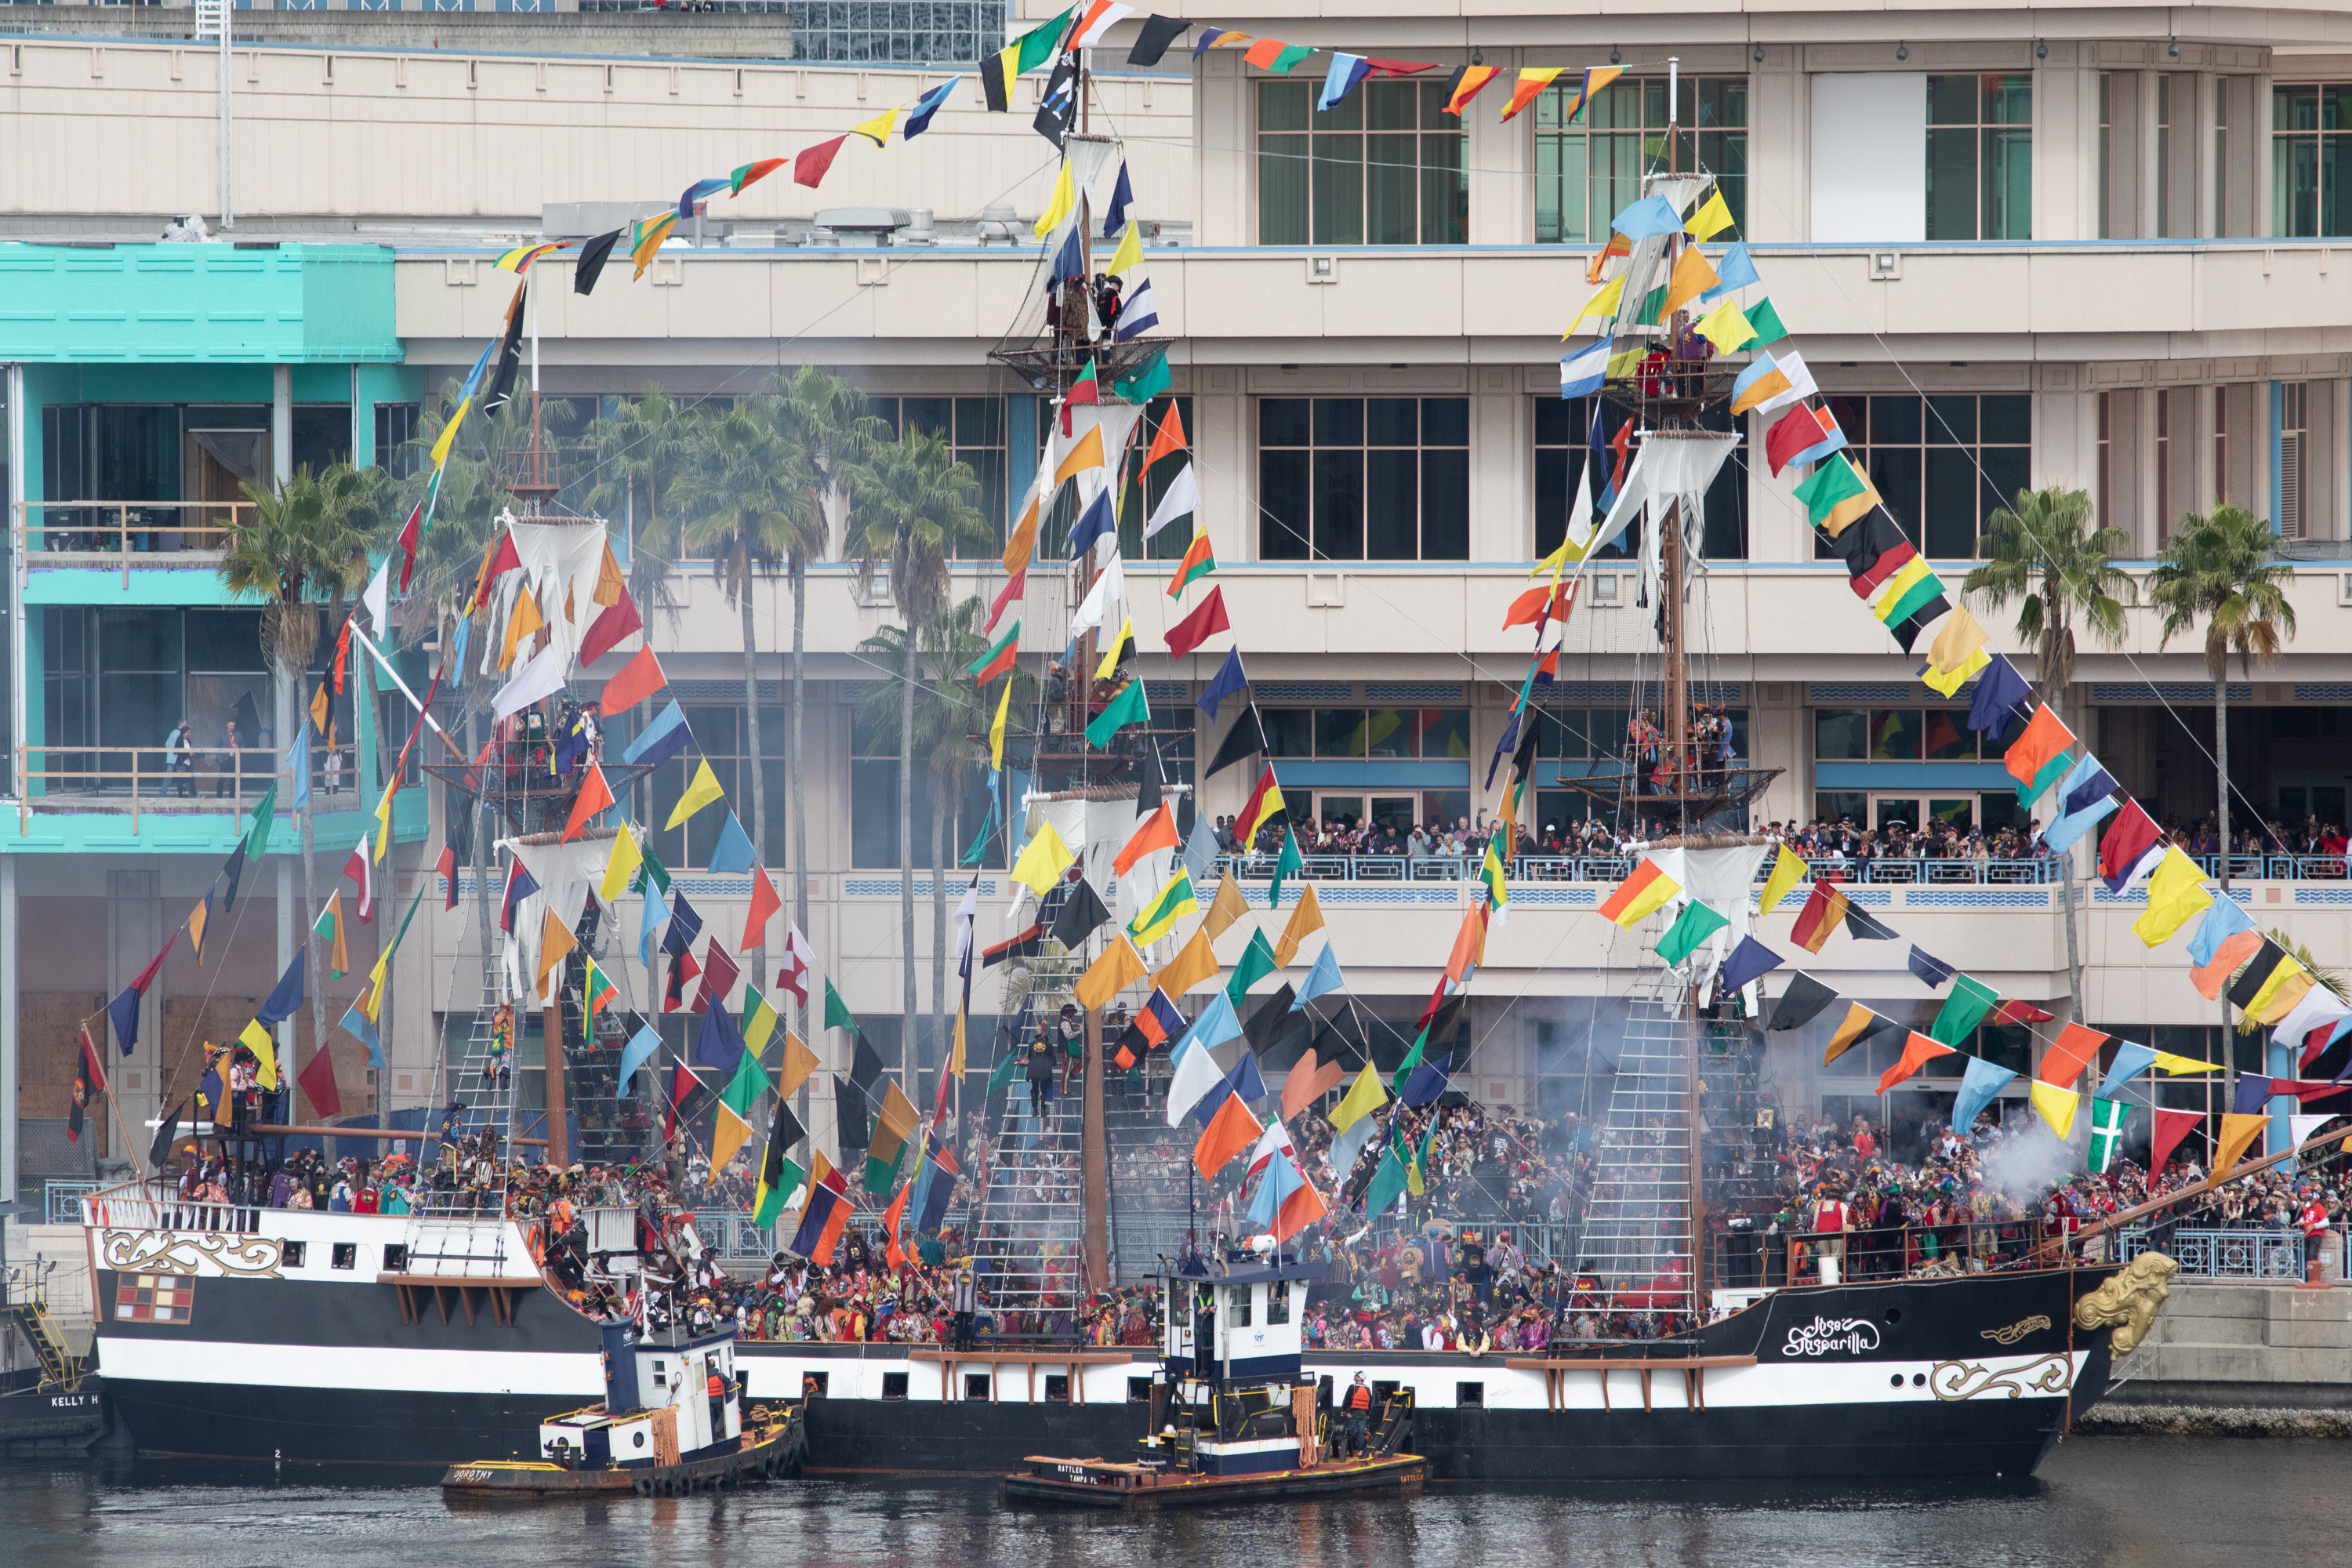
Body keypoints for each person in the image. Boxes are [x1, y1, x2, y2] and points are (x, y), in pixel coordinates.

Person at [1341, 1370, 1374, 1458]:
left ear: (1360, 1378)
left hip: (1353, 1412)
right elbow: (1369, 1402)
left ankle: (1348, 1450)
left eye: (1357, 1375)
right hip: (1363, 1414)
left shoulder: (1352, 1387)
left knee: (1350, 1431)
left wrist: (1344, 1410)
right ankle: (1360, 1451)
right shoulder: (1368, 1389)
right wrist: (1368, 1413)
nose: (1355, 1376)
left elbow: (1347, 1399)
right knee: (1361, 1432)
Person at [165, 718, 196, 798]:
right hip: (179, 760)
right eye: (186, 725)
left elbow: (167, 744)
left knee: (186, 778)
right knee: (183, 778)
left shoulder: (173, 733)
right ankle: (190, 795)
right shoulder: (179, 735)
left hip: (173, 759)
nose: (188, 726)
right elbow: (178, 748)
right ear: (182, 726)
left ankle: (192, 795)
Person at [215, 717, 241, 797]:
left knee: (234, 779)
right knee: (222, 779)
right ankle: (219, 797)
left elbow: (243, 747)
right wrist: (219, 758)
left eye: (233, 726)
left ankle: (232, 797)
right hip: (224, 759)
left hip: (234, 760)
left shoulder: (238, 735)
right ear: (227, 725)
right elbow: (217, 747)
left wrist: (238, 747)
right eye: (231, 726)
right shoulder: (221, 734)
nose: (232, 728)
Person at [952, 1266, 977, 1349]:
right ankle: (969, 1344)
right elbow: (984, 1288)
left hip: (958, 1304)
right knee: (969, 1325)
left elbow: (953, 1284)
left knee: (959, 1325)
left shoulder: (955, 1275)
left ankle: (962, 1345)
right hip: (970, 1305)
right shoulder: (976, 1275)